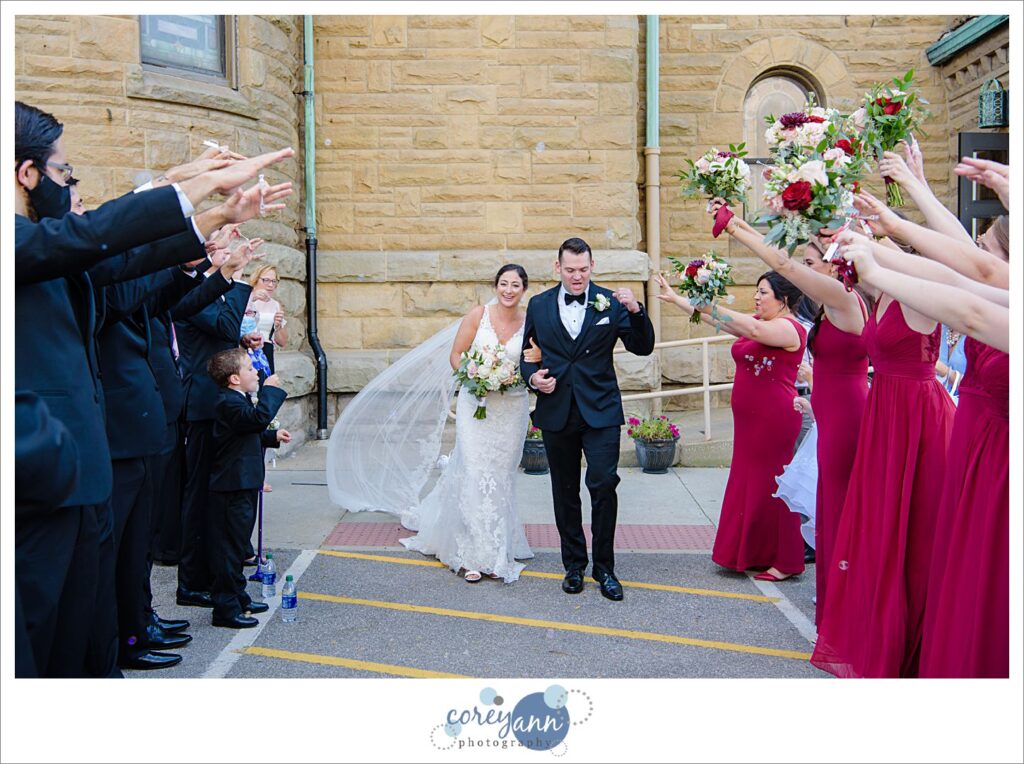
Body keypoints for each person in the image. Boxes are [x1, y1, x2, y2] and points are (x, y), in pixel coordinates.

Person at [327, 265, 541, 584]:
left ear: (524, 289)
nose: (508, 290)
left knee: (500, 476)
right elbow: (456, 355)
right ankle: (469, 555)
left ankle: (496, 551)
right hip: (476, 403)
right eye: (503, 284)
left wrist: (530, 364)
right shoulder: (478, 315)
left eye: (515, 285)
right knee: (473, 473)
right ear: (495, 286)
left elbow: (534, 359)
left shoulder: (530, 321)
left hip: (510, 409)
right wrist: (474, 377)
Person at [710, 200, 870, 620]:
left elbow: (781, 265)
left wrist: (736, 228)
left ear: (834, 263)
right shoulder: (829, 307)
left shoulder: (843, 298)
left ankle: (846, 598)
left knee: (837, 503)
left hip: (846, 413)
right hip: (828, 410)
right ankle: (835, 598)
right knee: (827, 504)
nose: (803, 269)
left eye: (811, 262)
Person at [811, 230, 957, 678]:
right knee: (883, 524)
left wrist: (876, 235)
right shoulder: (880, 290)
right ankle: (885, 629)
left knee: (916, 530)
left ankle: (921, 641)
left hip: (917, 416)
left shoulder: (922, 292)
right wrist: (831, 222)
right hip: (885, 413)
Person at [521, 239, 656, 601]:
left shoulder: (611, 301)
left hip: (601, 411)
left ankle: (605, 568)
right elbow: (526, 356)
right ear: (558, 268)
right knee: (565, 491)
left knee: (603, 485)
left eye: (583, 269)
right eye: (570, 270)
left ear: (592, 266)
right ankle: (574, 565)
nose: (577, 276)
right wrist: (533, 379)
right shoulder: (539, 305)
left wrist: (636, 310)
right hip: (557, 411)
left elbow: (642, 347)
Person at [655, 269, 807, 583]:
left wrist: (708, 302)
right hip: (751, 419)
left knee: (772, 484)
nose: (756, 297)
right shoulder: (761, 322)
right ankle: (750, 552)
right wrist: (678, 300)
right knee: (749, 482)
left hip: (773, 418)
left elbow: (748, 327)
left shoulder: (787, 328)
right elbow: (719, 321)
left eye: (763, 292)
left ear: (784, 298)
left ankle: (785, 560)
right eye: (757, 291)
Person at [207, 350, 290, 628]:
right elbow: (255, 419)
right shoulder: (227, 402)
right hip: (232, 485)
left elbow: (246, 430)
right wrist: (270, 391)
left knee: (239, 544)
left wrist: (272, 436)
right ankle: (225, 607)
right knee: (230, 548)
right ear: (234, 378)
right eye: (250, 368)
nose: (256, 372)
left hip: (243, 483)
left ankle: (238, 595)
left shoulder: (237, 400)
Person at [247, 264, 289, 373]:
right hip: (245, 349)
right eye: (266, 280)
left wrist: (278, 326)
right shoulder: (245, 298)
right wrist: (251, 299)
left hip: (266, 350)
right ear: (256, 279)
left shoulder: (276, 305)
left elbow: (283, 342)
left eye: (274, 281)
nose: (270, 285)